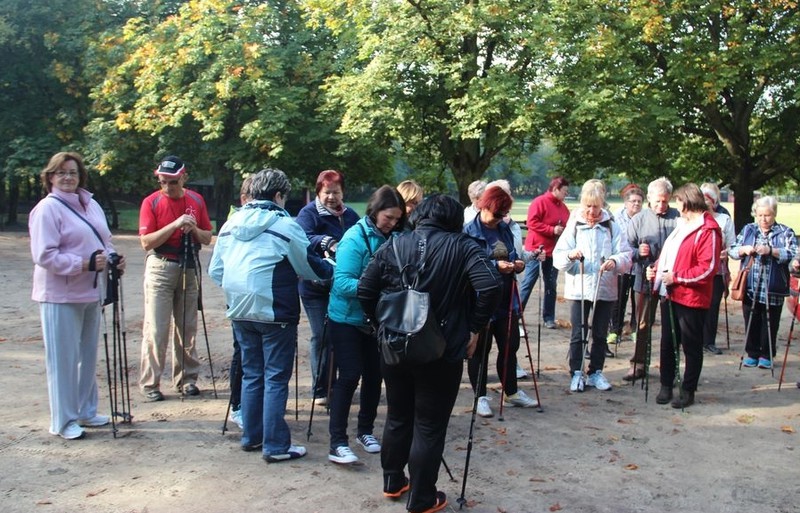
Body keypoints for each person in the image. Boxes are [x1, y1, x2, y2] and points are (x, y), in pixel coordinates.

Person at [358, 194, 501, 513]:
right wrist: (474, 328)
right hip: (442, 350)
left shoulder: (394, 243)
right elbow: (491, 286)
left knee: (398, 416)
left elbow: (365, 290)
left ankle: (393, 481)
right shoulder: (464, 246)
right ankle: (421, 497)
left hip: (395, 346)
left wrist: (380, 327)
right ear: (454, 219)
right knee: (429, 425)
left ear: (419, 216)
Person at [209, 168, 332, 462]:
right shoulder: (285, 225)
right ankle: (275, 446)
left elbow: (216, 271)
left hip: (239, 310)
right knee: (276, 377)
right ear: (278, 196)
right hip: (276, 311)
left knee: (252, 374)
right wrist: (332, 268)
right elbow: (309, 267)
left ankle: (252, 436)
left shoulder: (230, 224)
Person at [29, 152, 127, 440]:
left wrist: (113, 259)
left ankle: (86, 410)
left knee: (87, 356)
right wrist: (83, 264)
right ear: (50, 177)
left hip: (92, 291)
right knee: (63, 359)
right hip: (59, 295)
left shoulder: (90, 204)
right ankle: (63, 421)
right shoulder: (47, 209)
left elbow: (104, 241)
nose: (68, 177)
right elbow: (44, 255)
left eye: (72, 172)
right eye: (61, 173)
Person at [327, 185, 407, 465]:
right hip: (346, 319)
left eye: (397, 219)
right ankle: (337, 442)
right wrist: (376, 289)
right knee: (349, 376)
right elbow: (341, 282)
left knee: (375, 376)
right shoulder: (354, 238)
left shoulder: (396, 237)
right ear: (375, 211)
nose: (392, 223)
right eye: (388, 217)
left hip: (377, 320)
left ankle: (365, 431)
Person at [138, 155, 213, 402]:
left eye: (173, 181)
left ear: (184, 178)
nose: (168, 187)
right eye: (163, 182)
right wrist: (174, 225)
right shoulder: (151, 202)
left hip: (189, 266)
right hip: (160, 265)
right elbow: (146, 242)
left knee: (187, 326)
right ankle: (150, 383)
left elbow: (207, 237)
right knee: (156, 328)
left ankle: (187, 379)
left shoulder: (196, 200)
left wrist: (194, 229)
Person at [464, 185, 538, 418]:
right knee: (480, 350)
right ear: (483, 206)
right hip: (481, 300)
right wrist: (495, 266)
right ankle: (480, 397)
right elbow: (467, 264)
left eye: (503, 214)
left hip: (507, 299)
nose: (499, 218)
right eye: (497, 214)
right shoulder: (468, 232)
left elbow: (513, 255)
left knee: (510, 346)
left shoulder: (504, 229)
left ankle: (511, 392)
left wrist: (518, 264)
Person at [647, 183, 721, 408]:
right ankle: (666, 384)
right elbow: (670, 256)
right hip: (669, 293)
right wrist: (655, 269)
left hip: (691, 298)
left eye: (678, 201)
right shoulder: (682, 225)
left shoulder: (708, 229)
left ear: (687, 202)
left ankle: (688, 390)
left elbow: (707, 268)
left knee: (691, 345)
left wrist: (677, 277)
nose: (675, 206)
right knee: (668, 342)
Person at [553, 180, 632, 393]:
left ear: (601, 204)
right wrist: (570, 255)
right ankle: (576, 372)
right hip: (578, 287)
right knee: (578, 333)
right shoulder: (574, 225)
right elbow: (558, 256)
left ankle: (596, 371)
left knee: (599, 333)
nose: (591, 211)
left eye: (595, 206)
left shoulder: (611, 225)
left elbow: (625, 254)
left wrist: (614, 261)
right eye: (587, 206)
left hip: (605, 287)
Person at [295, 170, 360, 404]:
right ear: (318, 192)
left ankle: (340, 386)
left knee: (343, 334)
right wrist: (327, 242)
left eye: (336, 192)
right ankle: (321, 388)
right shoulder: (308, 213)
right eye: (327, 192)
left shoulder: (350, 215)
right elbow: (301, 237)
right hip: (315, 287)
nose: (332, 197)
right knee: (322, 335)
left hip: (341, 286)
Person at [729, 196, 797, 370]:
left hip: (774, 286)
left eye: (767, 215)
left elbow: (792, 252)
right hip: (750, 285)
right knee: (751, 319)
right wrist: (744, 250)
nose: (763, 219)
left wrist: (771, 251)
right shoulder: (749, 230)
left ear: (774, 214)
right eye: (760, 215)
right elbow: (733, 250)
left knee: (770, 322)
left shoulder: (785, 232)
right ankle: (752, 353)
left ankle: (767, 354)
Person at [623, 177, 680, 381]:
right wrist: (638, 252)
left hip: (672, 280)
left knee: (672, 325)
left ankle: (670, 368)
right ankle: (638, 364)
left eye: (665, 201)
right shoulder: (638, 219)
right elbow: (625, 249)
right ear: (649, 198)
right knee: (642, 324)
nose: (661, 205)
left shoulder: (678, 218)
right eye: (657, 201)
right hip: (644, 278)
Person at [518, 177, 571, 328]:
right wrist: (551, 230)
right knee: (529, 281)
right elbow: (532, 222)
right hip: (536, 249)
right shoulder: (539, 202)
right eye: (564, 191)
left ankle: (549, 317)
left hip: (553, 251)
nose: (566, 194)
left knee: (551, 284)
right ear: (555, 189)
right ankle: (516, 313)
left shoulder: (563, 207)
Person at [225, 175, 253, 429]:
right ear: (244, 199)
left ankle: (252, 402)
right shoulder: (233, 223)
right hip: (239, 299)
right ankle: (237, 404)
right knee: (242, 352)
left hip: (253, 298)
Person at [700, 183, 736, 355]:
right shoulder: (692, 220)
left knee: (713, 305)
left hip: (717, 270)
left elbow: (733, 245)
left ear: (714, 202)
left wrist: (725, 253)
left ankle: (709, 341)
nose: (704, 203)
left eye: (708, 200)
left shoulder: (724, 220)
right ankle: (693, 339)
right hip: (697, 269)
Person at [608, 185, 643, 348]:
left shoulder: (645, 218)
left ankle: (635, 329)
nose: (636, 204)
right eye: (633, 201)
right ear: (626, 202)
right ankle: (615, 330)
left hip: (640, 267)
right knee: (619, 299)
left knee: (638, 301)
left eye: (639, 201)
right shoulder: (616, 217)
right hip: (622, 266)